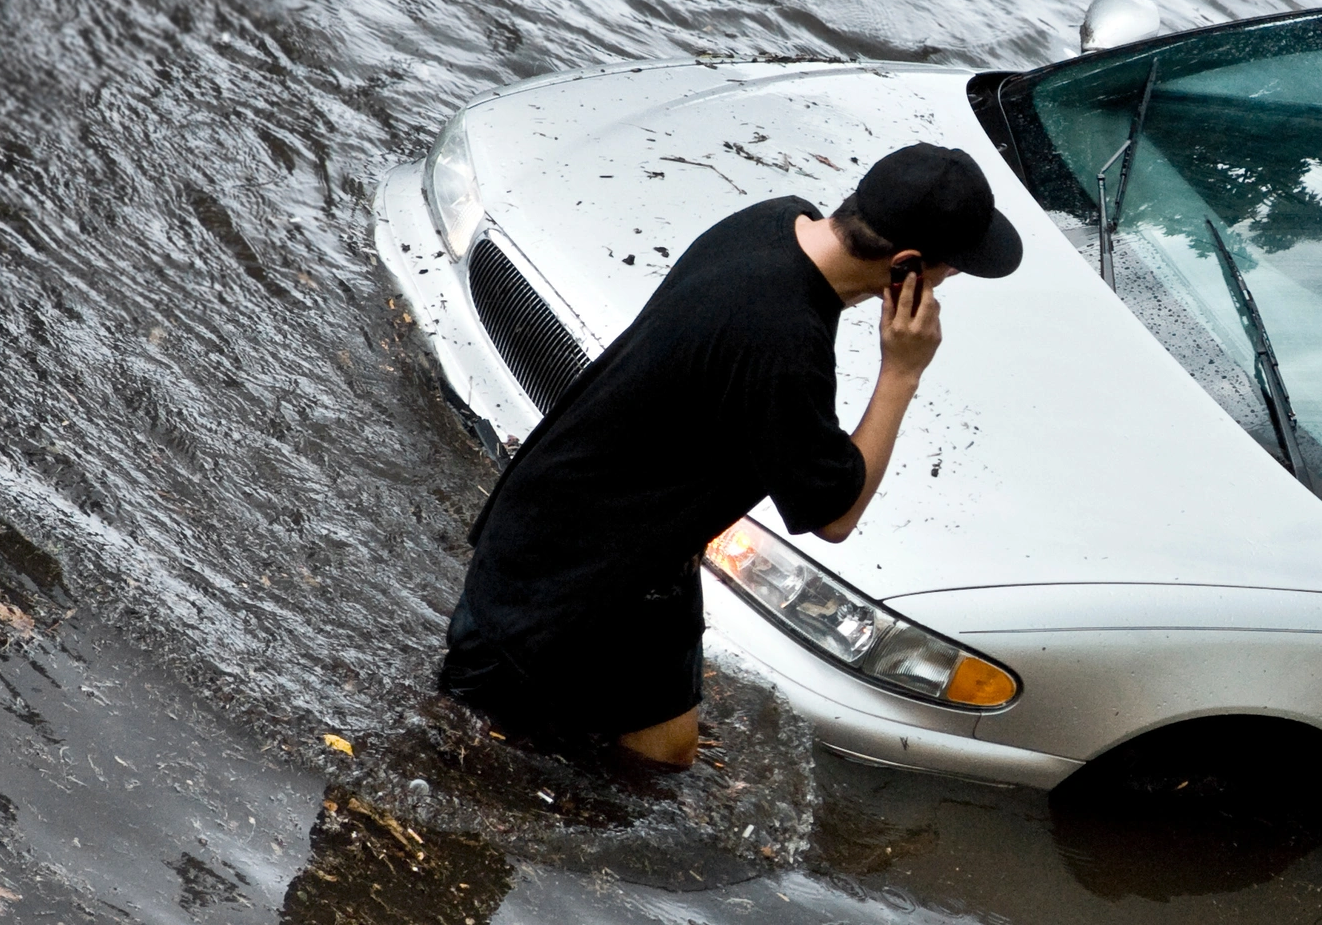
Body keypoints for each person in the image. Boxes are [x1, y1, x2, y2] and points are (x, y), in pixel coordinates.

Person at [436, 143, 1022, 768]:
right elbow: (835, 514)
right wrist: (901, 372)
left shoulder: (773, 220)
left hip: (633, 552)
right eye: (948, 270)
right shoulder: (782, 338)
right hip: (563, 585)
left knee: (664, 757)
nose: (946, 284)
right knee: (478, 756)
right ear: (906, 266)